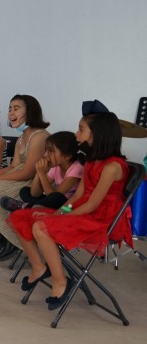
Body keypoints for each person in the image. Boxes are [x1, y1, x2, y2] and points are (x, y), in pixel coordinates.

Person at [8, 105, 131, 310]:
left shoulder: (113, 167)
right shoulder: (92, 162)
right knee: (19, 217)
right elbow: (79, 195)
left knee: (41, 227)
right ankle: (39, 267)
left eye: (81, 129)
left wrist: (60, 217)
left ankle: (61, 282)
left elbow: (92, 204)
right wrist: (60, 212)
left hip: (99, 218)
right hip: (80, 211)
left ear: (98, 134)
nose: (76, 134)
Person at [0, 94, 50, 261]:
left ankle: (12, 238)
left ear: (30, 111)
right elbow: (14, 166)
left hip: (34, 182)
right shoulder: (21, 138)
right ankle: (2, 231)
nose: (10, 113)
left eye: (16, 108)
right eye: (9, 109)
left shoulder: (39, 137)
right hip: (19, 175)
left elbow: (28, 173)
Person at [1, 131, 83, 212]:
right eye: (46, 150)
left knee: (56, 197)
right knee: (25, 191)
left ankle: (28, 207)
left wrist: (42, 174)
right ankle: (32, 207)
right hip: (52, 201)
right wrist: (39, 172)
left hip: (67, 206)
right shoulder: (57, 167)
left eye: (51, 151)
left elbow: (53, 196)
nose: (45, 154)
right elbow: (35, 193)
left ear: (67, 155)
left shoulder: (76, 169)